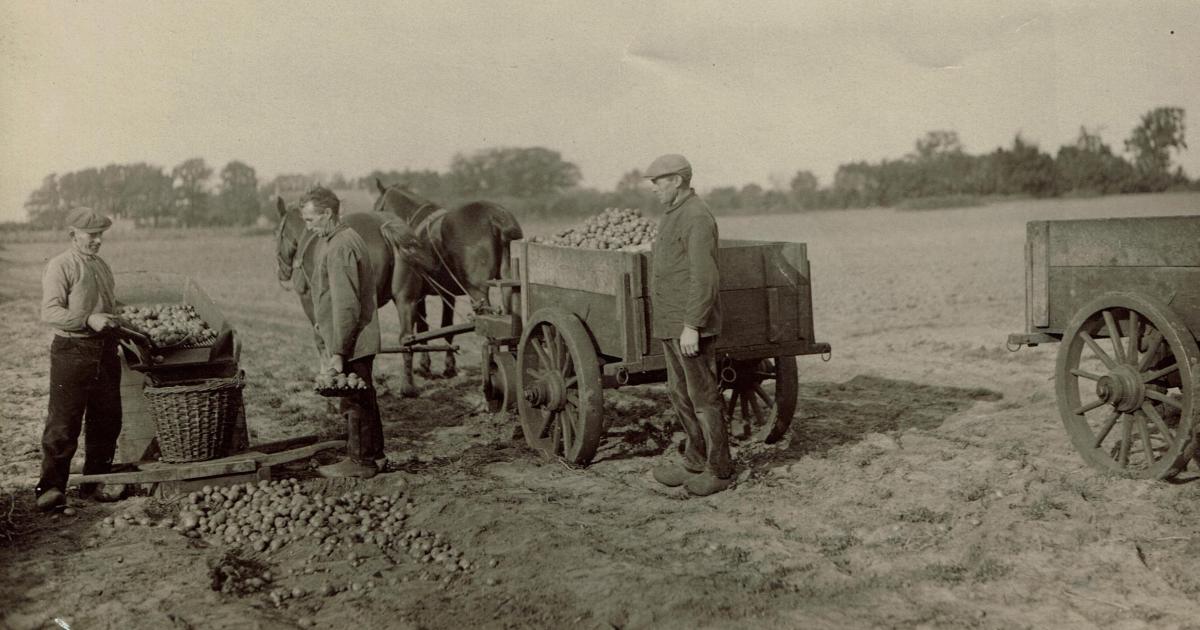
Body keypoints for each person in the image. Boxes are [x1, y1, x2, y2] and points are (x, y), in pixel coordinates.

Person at [644, 154, 734, 496]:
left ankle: (720, 470)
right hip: (670, 322)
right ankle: (695, 460)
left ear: (677, 181)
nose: (654, 188)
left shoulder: (697, 217)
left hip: (688, 326)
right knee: (679, 394)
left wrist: (693, 325)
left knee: (703, 397)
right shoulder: (671, 215)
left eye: (658, 181)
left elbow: (705, 277)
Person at [36, 207, 125, 511]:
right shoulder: (61, 265)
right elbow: (50, 312)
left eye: (101, 234)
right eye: (92, 235)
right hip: (72, 351)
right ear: (73, 235)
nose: (98, 240)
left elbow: (110, 305)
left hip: (105, 351)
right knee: (64, 423)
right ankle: (50, 489)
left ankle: (93, 484)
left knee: (107, 420)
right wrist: (88, 319)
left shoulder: (101, 265)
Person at [299, 186, 385, 478]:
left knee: (353, 401)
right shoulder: (346, 238)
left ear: (327, 213)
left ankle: (359, 462)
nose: (308, 228)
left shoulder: (339, 247)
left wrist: (338, 352)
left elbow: (346, 305)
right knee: (363, 395)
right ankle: (375, 456)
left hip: (351, 338)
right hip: (353, 337)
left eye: (311, 220)